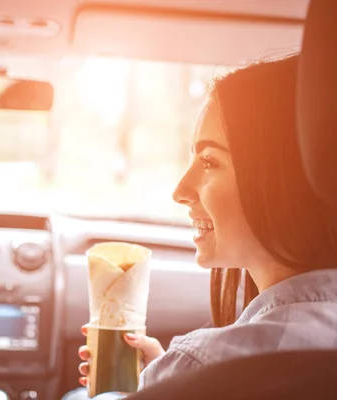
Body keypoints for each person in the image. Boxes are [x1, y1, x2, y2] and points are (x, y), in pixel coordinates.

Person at [65, 54, 337, 399]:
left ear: (283, 180)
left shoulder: (208, 365)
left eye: (209, 161)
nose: (180, 191)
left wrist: (177, 377)